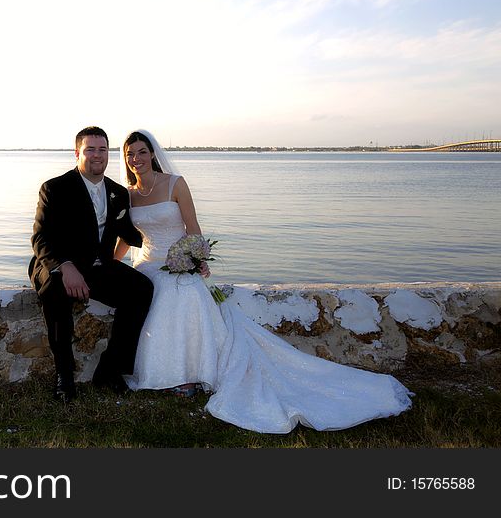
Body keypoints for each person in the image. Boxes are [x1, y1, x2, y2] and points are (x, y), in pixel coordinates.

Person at [114, 129, 413, 433]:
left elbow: (193, 227)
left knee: (180, 292)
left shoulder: (175, 184)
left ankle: (188, 376)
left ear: (152, 154)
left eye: (141, 152)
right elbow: (125, 237)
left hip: (178, 263)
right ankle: (164, 375)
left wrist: (196, 259)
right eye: (130, 154)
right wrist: (110, 264)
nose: (136, 159)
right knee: (149, 292)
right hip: (148, 264)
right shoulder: (128, 194)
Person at [29, 126, 154, 404]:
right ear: (77, 153)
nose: (97, 155)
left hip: (98, 266)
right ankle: (64, 376)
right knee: (55, 294)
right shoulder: (55, 188)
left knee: (141, 289)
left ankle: (109, 369)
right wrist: (66, 266)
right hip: (58, 264)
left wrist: (167, 235)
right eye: (90, 149)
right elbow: (40, 237)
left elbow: (130, 233)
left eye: (102, 149)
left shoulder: (118, 193)